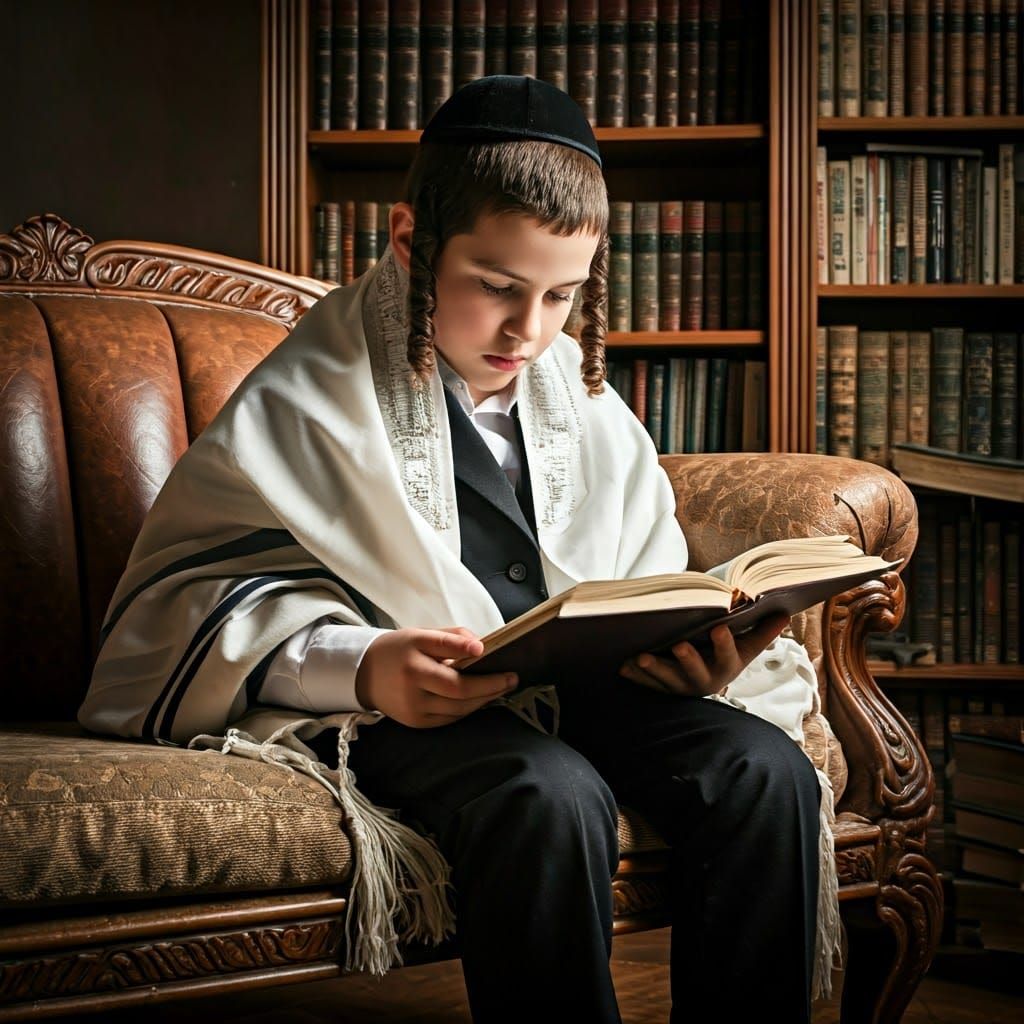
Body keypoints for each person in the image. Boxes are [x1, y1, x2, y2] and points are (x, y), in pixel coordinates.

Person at [78, 75, 838, 1024]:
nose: (530, 331)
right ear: (411, 240)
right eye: (495, 287)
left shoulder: (580, 391)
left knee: (763, 769)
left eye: (564, 295)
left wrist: (692, 648)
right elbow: (188, 601)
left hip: (589, 691)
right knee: (546, 792)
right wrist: (369, 668)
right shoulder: (310, 393)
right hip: (417, 714)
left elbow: (641, 568)